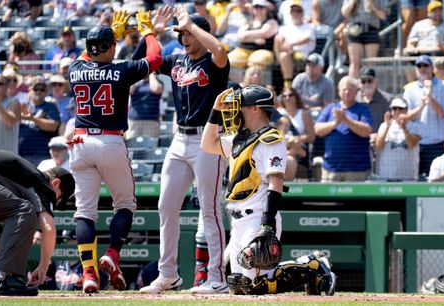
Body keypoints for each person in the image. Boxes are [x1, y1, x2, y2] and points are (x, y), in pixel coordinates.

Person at [200, 85, 336, 296]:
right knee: (238, 286)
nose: (236, 111)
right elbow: (207, 144)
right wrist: (215, 111)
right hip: (237, 219)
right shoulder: (239, 138)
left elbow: (276, 182)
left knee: (255, 286)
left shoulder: (271, 139)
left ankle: (313, 268)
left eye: (241, 106)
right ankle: (309, 268)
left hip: (258, 218)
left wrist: (267, 224)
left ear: (255, 109)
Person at [66, 8, 166, 293]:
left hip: (81, 143)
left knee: (85, 213)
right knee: (125, 205)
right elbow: (155, 59)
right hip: (110, 141)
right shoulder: (121, 70)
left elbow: (90, 56)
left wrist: (114, 34)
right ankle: (111, 254)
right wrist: (148, 31)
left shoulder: (75, 69)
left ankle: (88, 273)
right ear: (110, 47)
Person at [134, 6, 230, 295]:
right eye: (182, 34)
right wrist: (153, 33)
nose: (184, 38)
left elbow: (222, 50)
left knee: (210, 209)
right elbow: (142, 59)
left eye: (188, 33)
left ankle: (217, 278)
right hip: (179, 140)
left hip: (208, 140)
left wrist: (193, 25)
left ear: (201, 34)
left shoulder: (214, 63)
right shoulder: (176, 59)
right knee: (166, 205)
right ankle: (168, 275)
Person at [0, 150, 74, 296]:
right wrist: (43, 267)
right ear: (56, 183)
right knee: (25, 211)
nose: (56, 202)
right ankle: (3, 278)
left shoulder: (23, 174)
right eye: (60, 198)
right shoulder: (41, 182)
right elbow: (49, 228)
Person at [314, 76, 373, 182]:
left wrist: (345, 119)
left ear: (356, 92)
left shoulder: (363, 109)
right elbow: (317, 129)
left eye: (350, 89)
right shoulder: (330, 108)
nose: (346, 92)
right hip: (331, 170)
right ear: (339, 91)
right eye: (344, 89)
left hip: (357, 171)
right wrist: (335, 123)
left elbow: (366, 131)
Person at [403, 55, 444, 177]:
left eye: (425, 65)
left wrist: (430, 97)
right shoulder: (409, 89)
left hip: (438, 144)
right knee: (416, 182)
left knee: (438, 181)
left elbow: (442, 114)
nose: (422, 68)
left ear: (432, 68)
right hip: (417, 144)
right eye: (419, 66)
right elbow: (406, 117)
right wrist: (420, 107)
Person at [375, 97, 421, 181]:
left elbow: (411, 145)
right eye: (394, 109)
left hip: (408, 179)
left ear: (406, 110)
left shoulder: (415, 126)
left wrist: (403, 127)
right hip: (387, 179)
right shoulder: (384, 125)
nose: (397, 111)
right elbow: (379, 146)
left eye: (400, 108)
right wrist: (387, 127)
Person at [18, 76, 60, 167]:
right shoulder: (23, 105)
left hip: (41, 154)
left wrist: (33, 119)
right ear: (30, 90)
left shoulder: (50, 106)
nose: (38, 92)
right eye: (36, 88)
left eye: (42, 89)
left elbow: (53, 126)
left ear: (46, 92)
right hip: (22, 153)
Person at [227, 0, 278, 73]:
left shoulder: (272, 21)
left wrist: (247, 36)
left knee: (256, 61)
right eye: (256, 7)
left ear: (266, 9)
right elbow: (241, 36)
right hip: (243, 49)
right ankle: (242, 84)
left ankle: (251, 84)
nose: (258, 9)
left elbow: (265, 33)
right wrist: (255, 39)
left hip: (263, 50)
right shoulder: (248, 22)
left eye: (261, 7)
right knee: (230, 60)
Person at [274, 0, 315, 88]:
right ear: (290, 13)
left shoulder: (309, 27)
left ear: (303, 13)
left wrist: (291, 44)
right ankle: (288, 84)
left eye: (298, 11)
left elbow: (307, 39)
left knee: (286, 55)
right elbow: (280, 43)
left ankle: (288, 85)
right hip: (286, 54)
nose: (295, 13)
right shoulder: (284, 28)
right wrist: (288, 46)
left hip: (303, 56)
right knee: (283, 53)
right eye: (293, 11)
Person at [341, 0, 387, 78]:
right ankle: (353, 87)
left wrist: (373, 7)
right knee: (355, 63)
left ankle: (369, 85)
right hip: (355, 28)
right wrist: (353, 2)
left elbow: (383, 16)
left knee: (370, 63)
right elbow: (344, 12)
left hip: (371, 28)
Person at [277, 87, 315, 181]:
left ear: (296, 97)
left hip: (299, 149)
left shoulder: (304, 113)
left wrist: (298, 139)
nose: (287, 98)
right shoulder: (279, 113)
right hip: (282, 147)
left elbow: (311, 136)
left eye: (290, 95)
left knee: (290, 160)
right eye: (284, 96)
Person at [127, 73, 164, 139]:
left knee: (151, 145)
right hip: (134, 120)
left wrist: (151, 74)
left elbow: (156, 89)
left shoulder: (158, 82)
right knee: (132, 145)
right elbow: (129, 91)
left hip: (151, 121)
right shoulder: (135, 83)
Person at [356, 67, 391, 135]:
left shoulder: (387, 100)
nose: (367, 84)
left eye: (370, 81)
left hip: (381, 140)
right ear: (359, 83)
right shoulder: (355, 99)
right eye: (363, 81)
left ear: (376, 82)